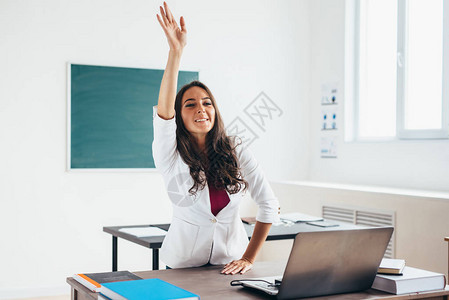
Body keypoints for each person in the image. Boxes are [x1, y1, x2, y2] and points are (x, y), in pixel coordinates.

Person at [153, 2, 279, 275]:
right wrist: (176, 51)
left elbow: (269, 204)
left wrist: (248, 258)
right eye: (190, 104)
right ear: (179, 116)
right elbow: (163, 114)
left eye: (207, 103)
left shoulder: (235, 150)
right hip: (182, 266)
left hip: (228, 266)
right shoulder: (169, 154)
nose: (201, 108)